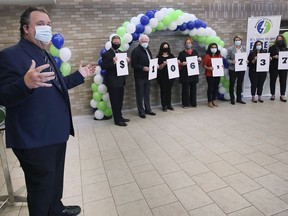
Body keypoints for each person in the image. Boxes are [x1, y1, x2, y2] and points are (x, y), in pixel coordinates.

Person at [0, 7, 95, 216]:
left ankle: (56, 209)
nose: (47, 28)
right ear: (26, 28)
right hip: (33, 138)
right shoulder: (10, 56)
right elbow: (3, 95)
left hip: (54, 133)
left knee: (54, 179)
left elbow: (56, 85)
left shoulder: (44, 54)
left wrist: (80, 74)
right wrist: (25, 83)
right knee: (41, 188)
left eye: (49, 24)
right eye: (40, 24)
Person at [101, 35, 130, 126]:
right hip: (112, 82)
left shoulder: (121, 53)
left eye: (118, 43)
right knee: (115, 101)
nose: (117, 44)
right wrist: (112, 62)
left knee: (120, 100)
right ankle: (117, 120)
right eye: (115, 43)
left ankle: (120, 116)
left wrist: (127, 62)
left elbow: (123, 67)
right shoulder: (107, 54)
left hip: (121, 81)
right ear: (111, 42)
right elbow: (104, 66)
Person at [131, 34, 156, 118]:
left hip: (148, 76)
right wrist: (142, 68)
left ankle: (148, 109)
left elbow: (150, 61)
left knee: (147, 94)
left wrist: (154, 66)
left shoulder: (148, 49)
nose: (145, 43)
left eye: (146, 41)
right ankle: (141, 111)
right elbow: (133, 64)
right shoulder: (135, 51)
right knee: (139, 94)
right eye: (143, 41)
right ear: (140, 41)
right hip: (140, 77)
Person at [178, 37, 201, 108]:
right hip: (185, 74)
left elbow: (198, 63)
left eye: (189, 43)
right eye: (187, 43)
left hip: (193, 73)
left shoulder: (195, 52)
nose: (188, 44)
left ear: (192, 44)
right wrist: (181, 63)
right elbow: (178, 63)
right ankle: (185, 103)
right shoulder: (181, 53)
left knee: (193, 88)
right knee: (185, 89)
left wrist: (199, 60)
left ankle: (193, 103)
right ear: (185, 44)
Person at [226, 35, 246, 105]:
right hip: (233, 69)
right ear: (234, 41)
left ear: (241, 41)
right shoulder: (230, 49)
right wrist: (232, 62)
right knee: (232, 84)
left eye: (239, 40)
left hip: (241, 69)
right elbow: (227, 59)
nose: (237, 41)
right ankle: (232, 99)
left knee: (240, 84)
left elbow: (245, 57)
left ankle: (239, 98)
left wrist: (246, 61)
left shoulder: (244, 48)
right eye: (236, 40)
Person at [156, 42, 175, 112]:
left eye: (167, 47)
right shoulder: (158, 57)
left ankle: (169, 105)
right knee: (163, 91)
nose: (165, 48)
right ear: (161, 48)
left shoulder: (171, 55)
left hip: (170, 77)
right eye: (164, 47)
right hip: (162, 77)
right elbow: (159, 68)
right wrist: (163, 64)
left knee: (169, 91)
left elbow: (174, 65)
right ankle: (164, 106)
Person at [269, 34, 288, 102]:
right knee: (272, 80)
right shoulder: (272, 48)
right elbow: (269, 57)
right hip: (274, 66)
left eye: (281, 39)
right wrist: (274, 57)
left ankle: (282, 95)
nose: (279, 40)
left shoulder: (286, 48)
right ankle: (272, 94)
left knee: (283, 80)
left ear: (283, 40)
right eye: (278, 39)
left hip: (283, 66)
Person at [203, 43, 222, 108]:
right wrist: (208, 68)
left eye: (215, 47)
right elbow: (204, 65)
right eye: (212, 47)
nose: (214, 49)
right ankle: (209, 101)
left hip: (217, 73)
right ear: (210, 48)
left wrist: (221, 66)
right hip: (209, 74)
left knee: (216, 87)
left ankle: (214, 100)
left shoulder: (219, 55)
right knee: (210, 87)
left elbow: (220, 63)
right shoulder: (207, 56)